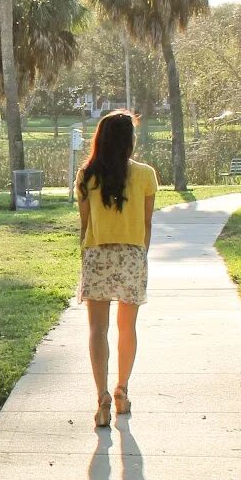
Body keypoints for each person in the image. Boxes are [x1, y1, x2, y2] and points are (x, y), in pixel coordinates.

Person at [76, 110, 158, 429]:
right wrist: (140, 255)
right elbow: (148, 222)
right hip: (132, 254)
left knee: (97, 329)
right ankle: (122, 390)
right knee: (127, 327)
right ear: (129, 141)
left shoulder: (86, 174)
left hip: (97, 254)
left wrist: (89, 253)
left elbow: (84, 225)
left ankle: (101, 398)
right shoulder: (146, 174)